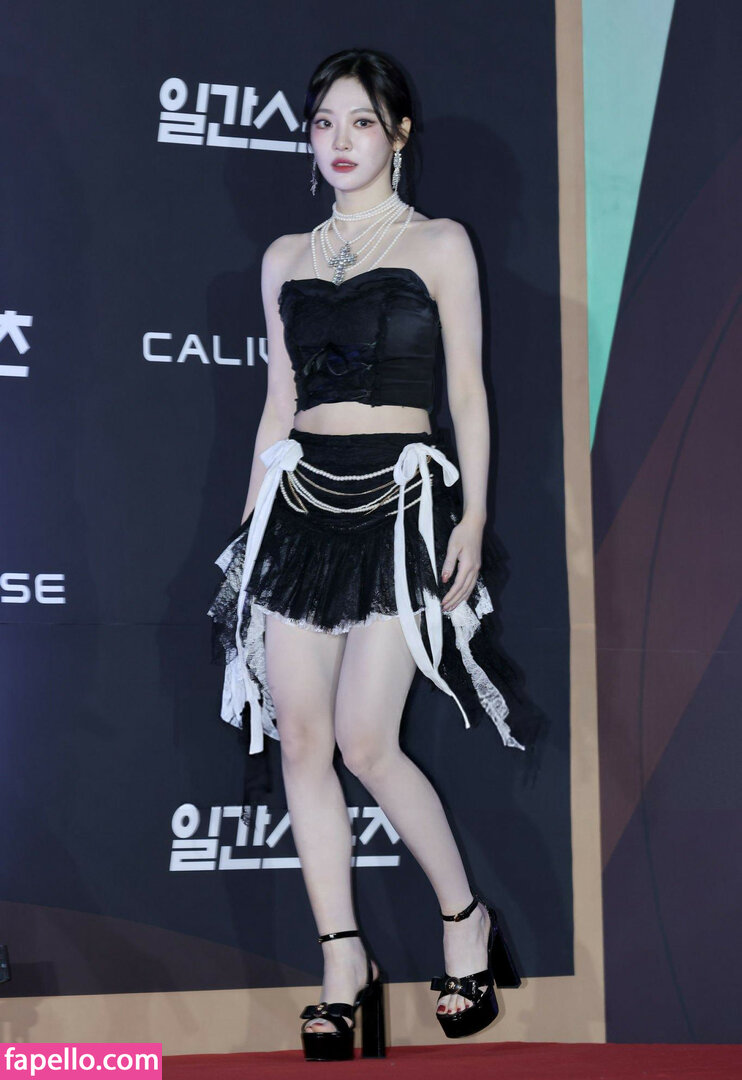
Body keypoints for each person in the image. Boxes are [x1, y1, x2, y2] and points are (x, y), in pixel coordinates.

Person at [208, 47, 537, 1062]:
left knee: (364, 740)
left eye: (360, 122)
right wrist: (250, 527)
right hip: (299, 503)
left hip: (398, 502)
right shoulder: (283, 259)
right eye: (323, 123)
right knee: (302, 741)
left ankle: (463, 921)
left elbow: (468, 392)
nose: (340, 141)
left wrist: (472, 518)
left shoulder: (439, 243)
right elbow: (277, 401)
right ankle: (342, 964)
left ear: (397, 134)